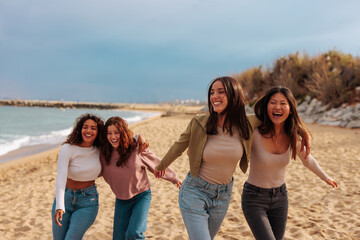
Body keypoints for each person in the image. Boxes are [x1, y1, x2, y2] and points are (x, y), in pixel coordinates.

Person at [241, 86, 338, 240]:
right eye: (272, 102)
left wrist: (325, 177)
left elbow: (308, 159)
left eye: (283, 103)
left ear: (291, 109)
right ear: (266, 106)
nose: (277, 107)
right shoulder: (254, 133)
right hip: (254, 198)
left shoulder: (293, 136)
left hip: (280, 199)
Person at [100, 116, 182, 240]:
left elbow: (156, 163)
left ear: (123, 133)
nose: (113, 137)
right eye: (109, 133)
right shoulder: (103, 154)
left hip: (141, 196)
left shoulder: (136, 148)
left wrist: (174, 178)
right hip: (121, 200)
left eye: (117, 132)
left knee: (134, 233)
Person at [51, 113, 104, 240]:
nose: (88, 131)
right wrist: (59, 205)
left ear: (98, 132)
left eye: (93, 128)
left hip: (88, 201)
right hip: (65, 198)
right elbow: (61, 178)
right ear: (80, 129)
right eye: (85, 127)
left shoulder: (101, 149)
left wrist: (137, 136)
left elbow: (121, 142)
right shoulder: (68, 148)